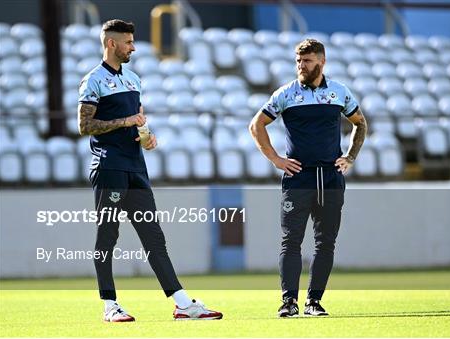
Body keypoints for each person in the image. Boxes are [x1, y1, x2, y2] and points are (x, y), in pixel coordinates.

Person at [77, 19, 222, 322]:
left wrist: (145, 136)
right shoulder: (93, 80)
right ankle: (110, 305)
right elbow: (84, 125)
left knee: (154, 238)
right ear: (112, 44)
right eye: (128, 42)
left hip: (135, 169)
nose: (133, 47)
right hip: (109, 168)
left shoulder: (133, 78)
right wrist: (126, 122)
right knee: (108, 236)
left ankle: (182, 303)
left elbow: (135, 120)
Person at [249, 39, 367, 317]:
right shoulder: (286, 94)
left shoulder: (339, 92)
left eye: (307, 61)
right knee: (291, 241)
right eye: (298, 61)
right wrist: (276, 159)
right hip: (298, 178)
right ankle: (288, 302)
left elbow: (360, 123)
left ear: (321, 62)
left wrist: (350, 157)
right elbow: (256, 125)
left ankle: (314, 302)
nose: (301, 66)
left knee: (325, 242)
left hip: (330, 178)